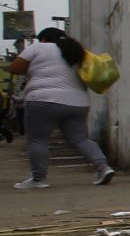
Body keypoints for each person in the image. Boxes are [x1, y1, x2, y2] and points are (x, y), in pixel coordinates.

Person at [7, 29, 115, 189]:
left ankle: (39, 179)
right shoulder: (77, 52)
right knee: (80, 139)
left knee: (37, 140)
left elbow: (15, 68)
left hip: (43, 100)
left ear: (43, 39)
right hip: (78, 103)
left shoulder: (38, 48)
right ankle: (103, 168)